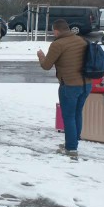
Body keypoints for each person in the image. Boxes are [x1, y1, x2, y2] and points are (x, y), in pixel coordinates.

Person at [36, 19, 90, 157]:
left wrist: (41, 56)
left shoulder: (58, 44)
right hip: (87, 84)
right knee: (77, 113)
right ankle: (73, 142)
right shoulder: (81, 40)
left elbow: (46, 66)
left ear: (56, 31)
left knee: (69, 116)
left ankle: (71, 148)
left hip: (70, 86)